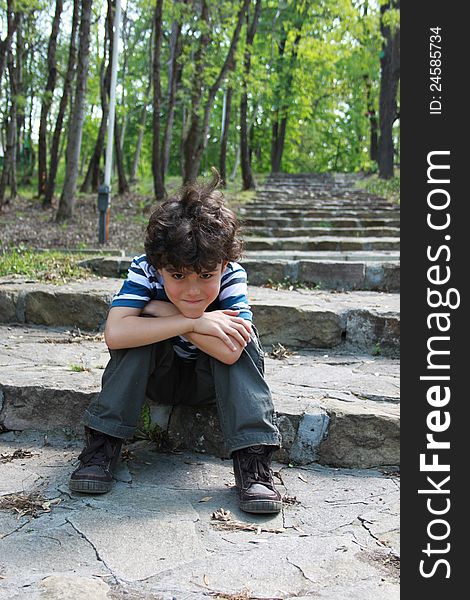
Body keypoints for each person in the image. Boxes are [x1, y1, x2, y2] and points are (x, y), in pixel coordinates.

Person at [69, 172, 282, 514]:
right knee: (141, 330)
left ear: (223, 264)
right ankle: (103, 443)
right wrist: (192, 320)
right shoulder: (145, 269)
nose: (193, 290)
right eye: (178, 276)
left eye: (205, 276)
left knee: (243, 335)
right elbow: (116, 333)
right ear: (159, 266)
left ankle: (253, 459)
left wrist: (159, 309)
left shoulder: (231, 276)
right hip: (156, 378)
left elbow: (231, 352)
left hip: (210, 382)